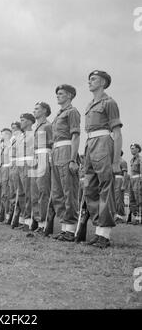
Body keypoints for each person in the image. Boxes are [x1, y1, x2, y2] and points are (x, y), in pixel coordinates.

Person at [84, 70, 123, 248]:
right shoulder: (89, 105)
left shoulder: (109, 102)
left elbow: (117, 133)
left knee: (105, 186)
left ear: (103, 82)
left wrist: (116, 161)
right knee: (89, 188)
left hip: (103, 142)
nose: (90, 82)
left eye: (94, 79)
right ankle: (99, 228)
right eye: (90, 79)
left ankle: (104, 234)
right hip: (90, 143)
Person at [51, 84, 81, 242]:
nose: (58, 96)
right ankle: (64, 228)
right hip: (56, 153)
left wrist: (72, 159)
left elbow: (75, 136)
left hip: (66, 151)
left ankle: (70, 229)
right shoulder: (58, 115)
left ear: (69, 96)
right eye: (57, 94)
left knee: (69, 191)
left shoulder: (72, 112)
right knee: (58, 193)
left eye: (61, 93)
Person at [31, 101, 53, 234]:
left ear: (45, 110)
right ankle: (38, 220)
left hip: (44, 156)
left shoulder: (48, 126)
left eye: (37, 109)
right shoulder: (37, 127)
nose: (34, 111)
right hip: (35, 158)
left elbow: (52, 143)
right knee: (35, 191)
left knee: (43, 190)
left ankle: (45, 222)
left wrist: (50, 159)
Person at [12, 113, 35, 230]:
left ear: (30, 122)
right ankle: (24, 220)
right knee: (21, 193)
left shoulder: (34, 135)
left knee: (28, 193)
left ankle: (30, 221)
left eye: (23, 120)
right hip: (19, 165)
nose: (21, 122)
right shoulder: (20, 136)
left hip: (28, 164)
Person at [0, 128, 12, 222]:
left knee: (8, 194)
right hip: (3, 170)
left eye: (2, 134)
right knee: (3, 194)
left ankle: (9, 216)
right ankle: (5, 215)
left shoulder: (11, 145)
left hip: (8, 169)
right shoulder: (3, 147)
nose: (1, 136)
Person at [128, 143, 142, 224]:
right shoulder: (132, 160)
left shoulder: (140, 159)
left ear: (138, 149)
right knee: (132, 198)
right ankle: (136, 216)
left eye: (133, 148)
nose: (131, 150)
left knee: (139, 198)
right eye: (131, 148)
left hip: (138, 179)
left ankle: (140, 217)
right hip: (132, 180)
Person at [114, 150, 128, 223]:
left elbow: (125, 174)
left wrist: (124, 185)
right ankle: (116, 215)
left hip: (119, 180)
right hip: (113, 180)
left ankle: (120, 216)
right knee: (114, 199)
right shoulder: (114, 162)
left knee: (119, 199)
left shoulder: (123, 162)